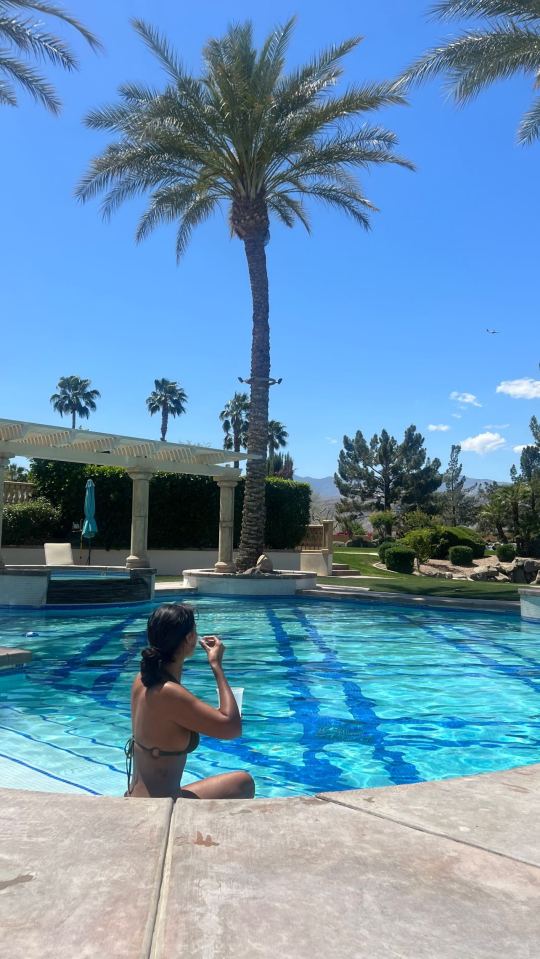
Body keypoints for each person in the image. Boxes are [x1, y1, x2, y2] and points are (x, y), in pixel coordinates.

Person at [125, 603, 255, 800]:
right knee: (244, 783)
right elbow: (232, 728)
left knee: (240, 783)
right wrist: (216, 665)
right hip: (158, 808)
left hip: (136, 796)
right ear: (189, 638)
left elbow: (174, 715)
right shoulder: (168, 693)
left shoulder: (142, 679)